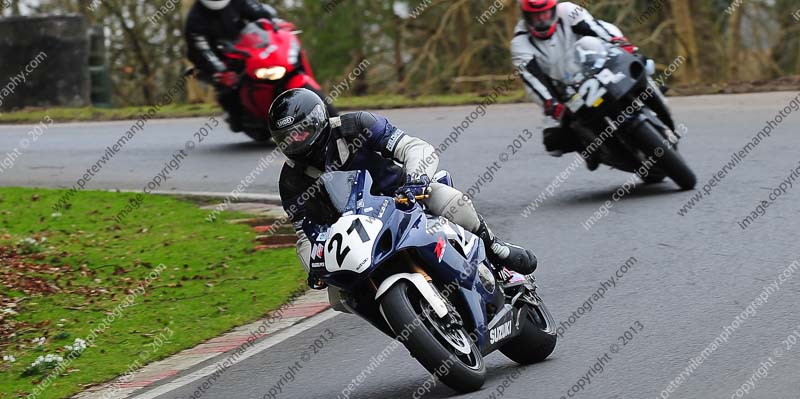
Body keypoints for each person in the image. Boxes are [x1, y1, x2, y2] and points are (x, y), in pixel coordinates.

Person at [268, 89, 538, 295]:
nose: (295, 140)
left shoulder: (357, 125)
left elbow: (413, 147)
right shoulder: (290, 180)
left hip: (404, 199)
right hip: (357, 234)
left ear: (318, 120)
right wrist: (314, 265)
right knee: (340, 295)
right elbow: (304, 233)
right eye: (287, 137)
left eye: (301, 132)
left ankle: (495, 250)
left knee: (450, 201)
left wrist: (417, 179)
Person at [511, 0, 673, 170]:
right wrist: (550, 102)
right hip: (561, 91)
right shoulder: (520, 42)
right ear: (525, 16)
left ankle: (657, 100)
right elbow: (531, 78)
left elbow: (595, 28)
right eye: (535, 16)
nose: (541, 19)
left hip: (595, 66)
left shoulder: (568, 11)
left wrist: (621, 44)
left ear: (553, 9)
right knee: (554, 142)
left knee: (640, 65)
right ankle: (589, 148)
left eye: (545, 13)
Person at [185, 0, 279, 132]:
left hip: (244, 48)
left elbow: (259, 13)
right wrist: (220, 69)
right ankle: (237, 116)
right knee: (228, 85)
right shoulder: (195, 19)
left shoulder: (238, 1)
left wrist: (274, 23)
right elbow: (202, 51)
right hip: (214, 57)